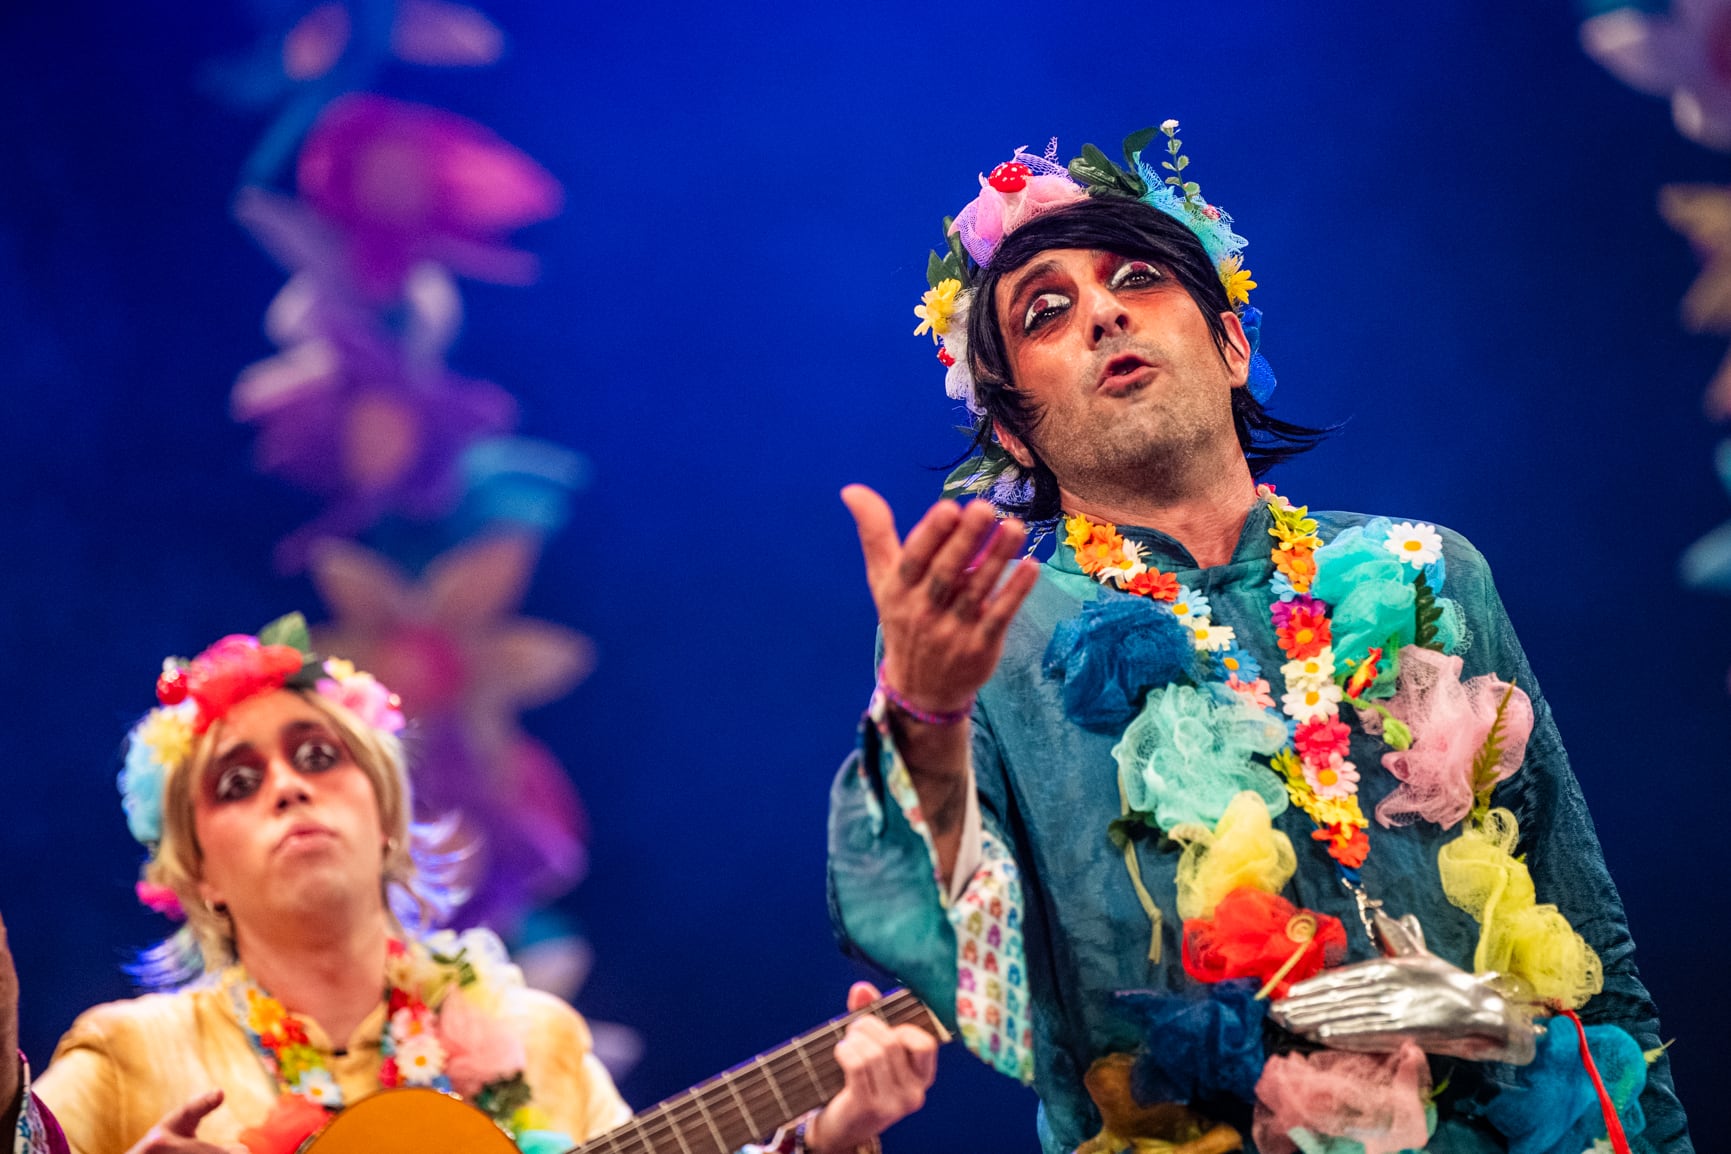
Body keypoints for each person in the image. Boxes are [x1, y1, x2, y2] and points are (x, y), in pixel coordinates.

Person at [827, 123, 1689, 1153]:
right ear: (1014, 429)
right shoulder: (998, 643)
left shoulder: (1428, 575)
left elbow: (1594, 939)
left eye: (1137, 277)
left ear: (1233, 345)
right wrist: (921, 713)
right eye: (1046, 312)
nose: (1102, 312)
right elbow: (926, 944)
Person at [5, 616, 936, 1154]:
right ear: (196, 873)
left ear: (386, 819)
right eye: (237, 783)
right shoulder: (130, 1051)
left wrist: (829, 1134)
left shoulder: (535, 1036)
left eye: (319, 755)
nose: (287, 785)